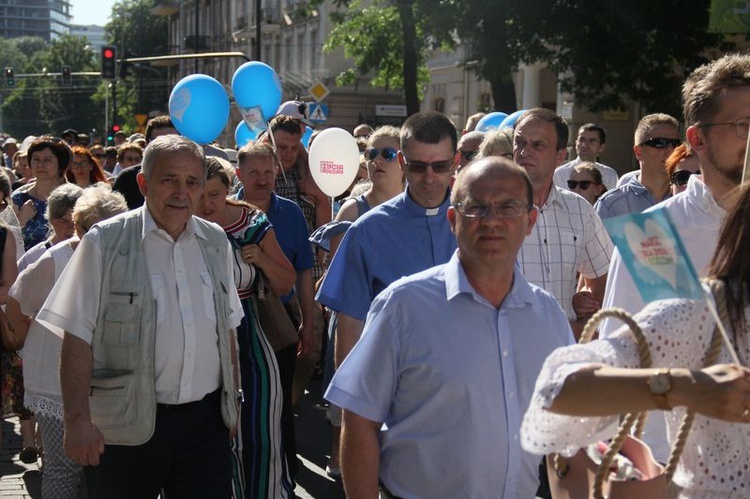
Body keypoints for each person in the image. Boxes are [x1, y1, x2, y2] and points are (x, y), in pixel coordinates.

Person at [326, 158, 574, 498]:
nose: (492, 221)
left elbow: (566, 429)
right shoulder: (403, 306)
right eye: (476, 208)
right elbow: (359, 421)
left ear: (530, 220)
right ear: (453, 220)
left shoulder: (548, 316)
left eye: (507, 207)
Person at [37, 135, 243, 498]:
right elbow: (76, 338)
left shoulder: (216, 242)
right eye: (169, 180)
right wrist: (77, 421)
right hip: (123, 427)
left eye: (192, 182)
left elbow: (226, 330)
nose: (182, 192)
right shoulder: (105, 241)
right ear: (144, 183)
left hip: (205, 425)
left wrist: (232, 405)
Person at [522, 182, 750, 498]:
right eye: (737, 127)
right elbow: (624, 331)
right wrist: (681, 388)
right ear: (697, 139)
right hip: (657, 457)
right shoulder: (650, 229)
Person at [598, 53, 750, 463]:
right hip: (679, 466)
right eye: (743, 126)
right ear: (697, 140)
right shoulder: (654, 236)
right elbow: (620, 362)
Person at [317, 110, 459, 381]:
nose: (429, 177)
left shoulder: (478, 224)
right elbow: (349, 324)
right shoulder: (366, 230)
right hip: (391, 386)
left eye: (439, 166)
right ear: (404, 163)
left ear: (456, 162)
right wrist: (349, 409)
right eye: (418, 166)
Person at [8, 185, 127, 498]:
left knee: (110, 470)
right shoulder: (54, 261)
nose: (109, 237)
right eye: (98, 229)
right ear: (79, 226)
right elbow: (18, 309)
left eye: (119, 228)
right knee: (64, 469)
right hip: (56, 380)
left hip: (113, 382)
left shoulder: (128, 258)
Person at [198, 157, 296, 499]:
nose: (206, 204)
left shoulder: (251, 222)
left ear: (228, 190)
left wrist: (262, 259)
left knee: (260, 429)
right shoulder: (180, 225)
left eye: (215, 194)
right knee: (207, 437)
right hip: (198, 340)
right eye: (200, 194)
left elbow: (285, 283)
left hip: (250, 336)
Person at [315, 124, 405, 478]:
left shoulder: (413, 208)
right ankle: (342, 459)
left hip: (399, 319)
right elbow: (339, 280)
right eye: (371, 154)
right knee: (349, 388)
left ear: (404, 162)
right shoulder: (353, 209)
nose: (377, 161)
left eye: (388, 154)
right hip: (357, 315)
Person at [233, 141, 315, 482]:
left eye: (269, 171)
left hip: (278, 319)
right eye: (254, 172)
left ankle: (285, 474)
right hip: (232, 323)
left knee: (278, 403)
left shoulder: (291, 213)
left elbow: (304, 271)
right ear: (238, 173)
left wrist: (309, 322)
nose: (263, 179)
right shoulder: (217, 209)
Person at [512, 108, 612, 336]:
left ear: (561, 155)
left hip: (566, 348)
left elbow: (604, 276)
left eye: (538, 145)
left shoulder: (579, 210)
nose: (525, 151)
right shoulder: (492, 209)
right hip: (510, 347)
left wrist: (587, 315)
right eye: (519, 142)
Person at [594, 113, 681, 220]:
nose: (670, 149)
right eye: (660, 142)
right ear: (638, 152)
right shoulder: (611, 205)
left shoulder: (687, 201)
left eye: (676, 143)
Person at [12, 136, 69, 251]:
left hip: (65, 265)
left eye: (47, 160)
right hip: (26, 266)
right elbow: (7, 240)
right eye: (36, 159)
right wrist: (20, 221)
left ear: (61, 164)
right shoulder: (19, 198)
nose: (40, 165)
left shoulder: (74, 197)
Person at [112, 115, 178, 208]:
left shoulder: (190, 179)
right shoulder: (127, 179)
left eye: (173, 142)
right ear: (147, 144)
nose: (166, 148)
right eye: (159, 142)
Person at [18, 183, 83, 272]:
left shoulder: (94, 252)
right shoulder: (33, 258)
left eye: (77, 222)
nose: (72, 228)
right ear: (51, 220)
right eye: (63, 221)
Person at [553, 123, 619, 191]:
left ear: (601, 147)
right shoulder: (560, 174)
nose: (585, 145)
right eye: (582, 140)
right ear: (576, 144)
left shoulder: (610, 175)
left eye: (591, 141)